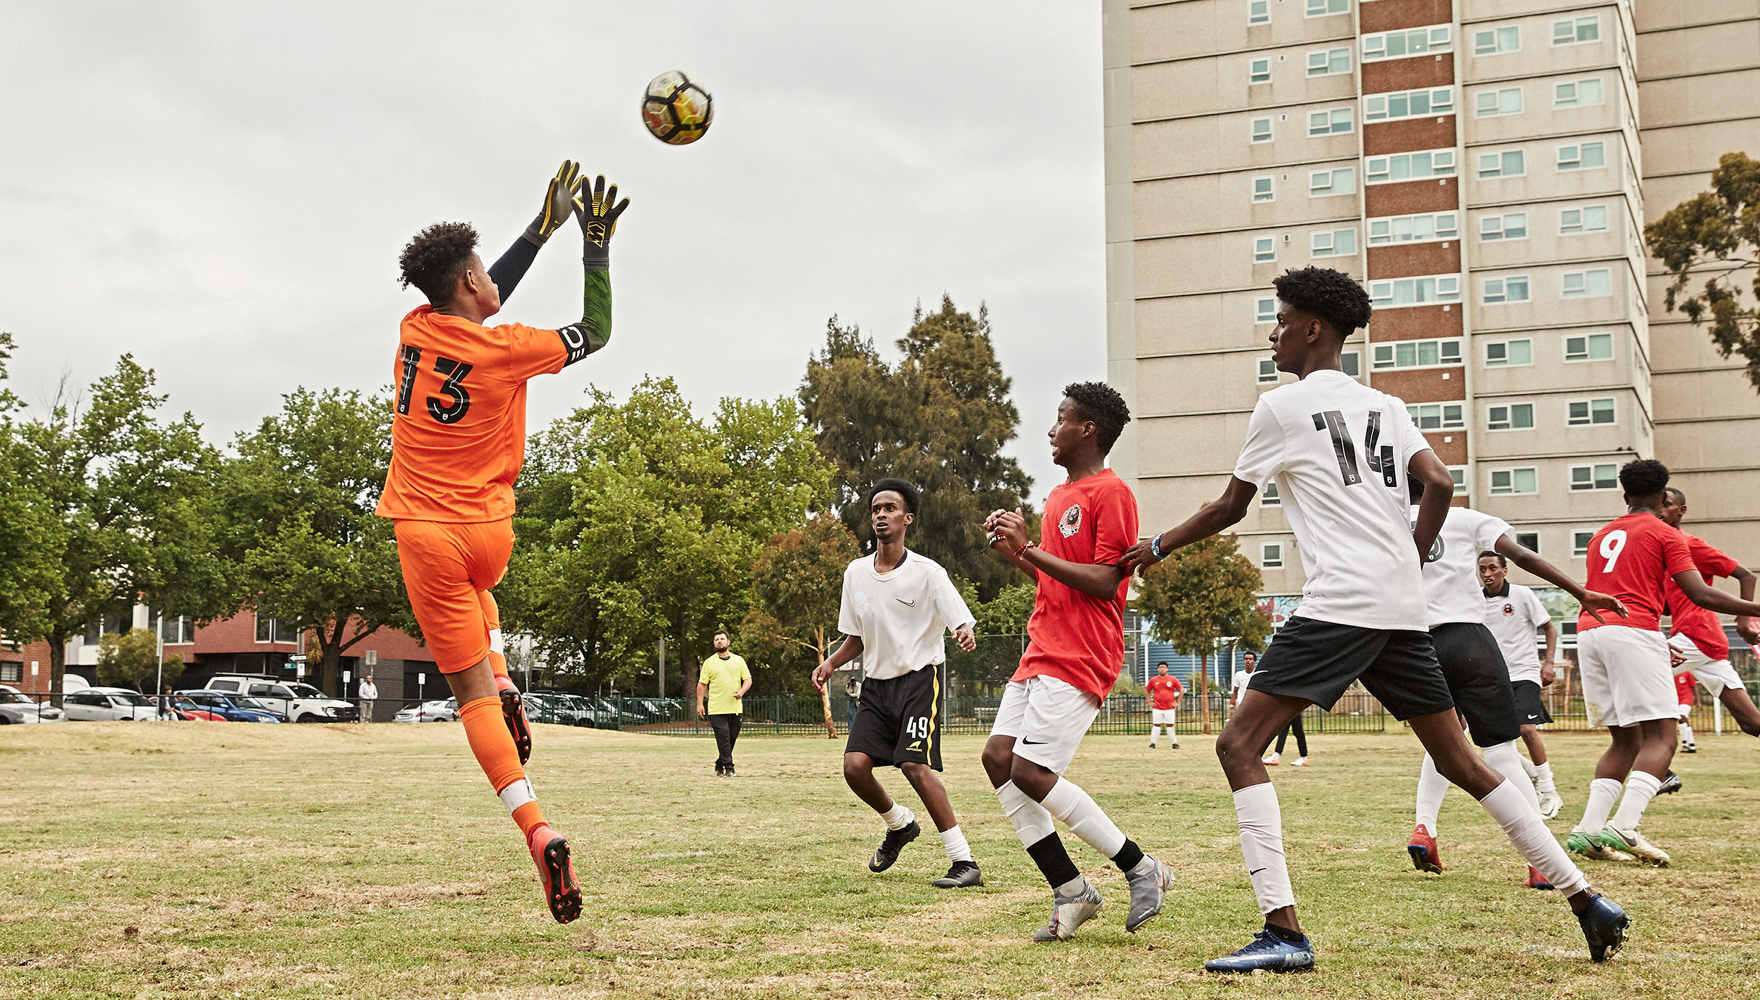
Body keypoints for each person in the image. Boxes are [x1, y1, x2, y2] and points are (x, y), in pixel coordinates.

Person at [1121, 266, 1629, 971]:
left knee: (1238, 745)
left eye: (1280, 319)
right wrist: (1409, 558)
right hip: (1400, 606)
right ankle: (1588, 901)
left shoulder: (1280, 407)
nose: (1272, 333)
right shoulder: (1386, 405)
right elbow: (1442, 483)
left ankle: (1284, 933)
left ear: (1311, 329)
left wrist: (1155, 547)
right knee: (1462, 762)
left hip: (1341, 604)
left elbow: (1231, 507)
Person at [377, 161, 628, 923]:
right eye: (483, 273)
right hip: (491, 533)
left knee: (469, 698)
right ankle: (508, 680)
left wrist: (536, 231)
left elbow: (475, 303)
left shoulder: (414, 327)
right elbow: (600, 332)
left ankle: (537, 829)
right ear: (468, 286)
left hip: (427, 534)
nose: (492, 282)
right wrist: (593, 245)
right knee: (482, 592)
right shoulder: (507, 349)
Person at [979, 381, 1175, 943]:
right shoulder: (1058, 496)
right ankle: (1071, 891)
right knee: (998, 759)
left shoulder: (1111, 493)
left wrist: (1029, 549)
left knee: (1032, 773)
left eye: (1060, 418)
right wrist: (1017, 555)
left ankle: (1142, 868)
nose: (1051, 429)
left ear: (1087, 429)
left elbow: (1108, 580)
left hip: (1083, 652)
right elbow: (1053, 578)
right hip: (1040, 648)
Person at [1401, 493, 1623, 890]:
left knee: (1442, 744)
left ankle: (1424, 828)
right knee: (1501, 751)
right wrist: (1579, 591)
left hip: (1416, 643)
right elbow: (1522, 556)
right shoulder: (1465, 518)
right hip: (1468, 638)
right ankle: (1540, 862)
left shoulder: (1389, 519)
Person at [1566, 460, 1760, 867]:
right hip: (1633, 629)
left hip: (1590, 632)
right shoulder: (1664, 532)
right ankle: (1625, 826)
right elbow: (1701, 594)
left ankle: (1588, 829)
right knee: (1663, 736)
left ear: (1624, 495)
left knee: (1625, 738)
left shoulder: (1602, 534)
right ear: (1661, 496)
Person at [811, 479, 984, 888]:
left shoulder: (928, 572)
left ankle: (964, 861)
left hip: (921, 681)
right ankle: (900, 823)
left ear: (907, 519)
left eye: (890, 508)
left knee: (912, 764)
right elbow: (857, 636)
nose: (881, 515)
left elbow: (960, 618)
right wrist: (831, 663)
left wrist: (963, 631)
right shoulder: (855, 574)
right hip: (876, 686)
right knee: (854, 767)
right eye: (875, 509)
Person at [1657, 486, 1760, 739]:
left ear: (1681, 511)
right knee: (1751, 723)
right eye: (1657, 504)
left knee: (1634, 677)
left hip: (1696, 636)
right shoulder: (1663, 551)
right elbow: (1670, 606)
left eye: (1666, 504)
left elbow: (1746, 575)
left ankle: (1659, 769)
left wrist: (1743, 621)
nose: (1659, 510)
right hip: (1706, 645)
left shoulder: (1691, 545)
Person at [1478, 550, 1563, 816]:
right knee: (1496, 741)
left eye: (1492, 568)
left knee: (1526, 729)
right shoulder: (1474, 602)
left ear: (1505, 570)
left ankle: (1549, 791)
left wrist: (1548, 663)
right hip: (1493, 676)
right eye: (1482, 569)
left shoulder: (1523, 596)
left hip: (1525, 672)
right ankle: (1531, 774)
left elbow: (1549, 627)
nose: (1487, 574)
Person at [697, 631, 752, 776]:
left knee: (731, 739)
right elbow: (702, 684)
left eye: (722, 639)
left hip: (735, 708)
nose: (719, 641)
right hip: (716, 709)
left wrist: (741, 692)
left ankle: (719, 763)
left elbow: (748, 680)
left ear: (728, 642)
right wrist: (700, 704)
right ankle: (729, 767)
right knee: (723, 739)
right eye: (716, 639)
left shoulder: (739, 660)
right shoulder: (709, 663)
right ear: (714, 643)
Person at [1146, 662, 1182, 749]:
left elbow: (1181, 690)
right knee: (1156, 725)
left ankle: (1174, 743)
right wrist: (1149, 702)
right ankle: (1152, 743)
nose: (1162, 669)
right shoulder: (1153, 680)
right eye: (1160, 667)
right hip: (1157, 707)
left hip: (1169, 707)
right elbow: (1147, 690)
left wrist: (1178, 702)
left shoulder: (1172, 679)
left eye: (1164, 667)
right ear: (1157, 669)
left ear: (1167, 669)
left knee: (1170, 725)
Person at [1675, 671, 1698, 753]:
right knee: (1681, 721)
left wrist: (1698, 701)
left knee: (1682, 716)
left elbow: (1694, 686)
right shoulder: (1670, 673)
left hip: (1687, 699)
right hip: (1676, 700)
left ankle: (1692, 744)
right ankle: (1685, 744)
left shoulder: (1687, 672)